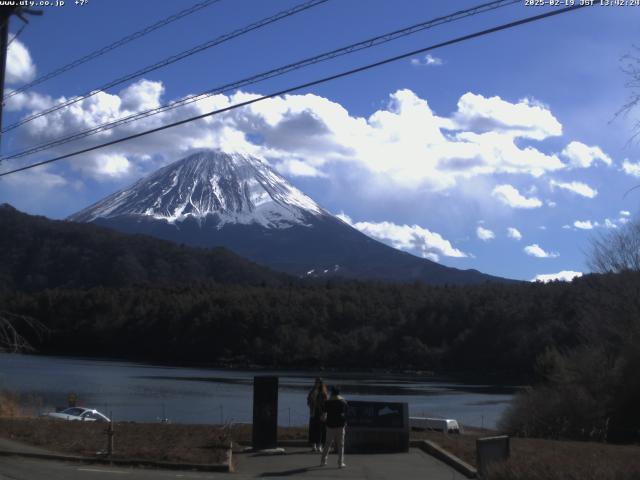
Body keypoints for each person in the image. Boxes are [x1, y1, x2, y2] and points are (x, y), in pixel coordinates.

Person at [321, 386, 348, 468]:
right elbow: (345, 414)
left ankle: (323, 460)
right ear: (339, 393)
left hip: (330, 425)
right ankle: (340, 462)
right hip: (340, 425)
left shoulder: (328, 402)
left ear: (332, 392)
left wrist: (324, 420)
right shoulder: (343, 402)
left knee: (327, 443)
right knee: (341, 444)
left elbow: (324, 415)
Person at [307, 377, 327, 452]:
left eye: (318, 382)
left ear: (321, 383)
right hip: (313, 412)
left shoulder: (323, 392)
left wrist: (325, 413)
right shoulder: (312, 391)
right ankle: (313, 445)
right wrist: (311, 403)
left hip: (321, 413)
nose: (317, 383)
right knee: (313, 429)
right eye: (316, 382)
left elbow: (325, 404)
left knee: (320, 430)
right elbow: (308, 400)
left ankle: (320, 445)